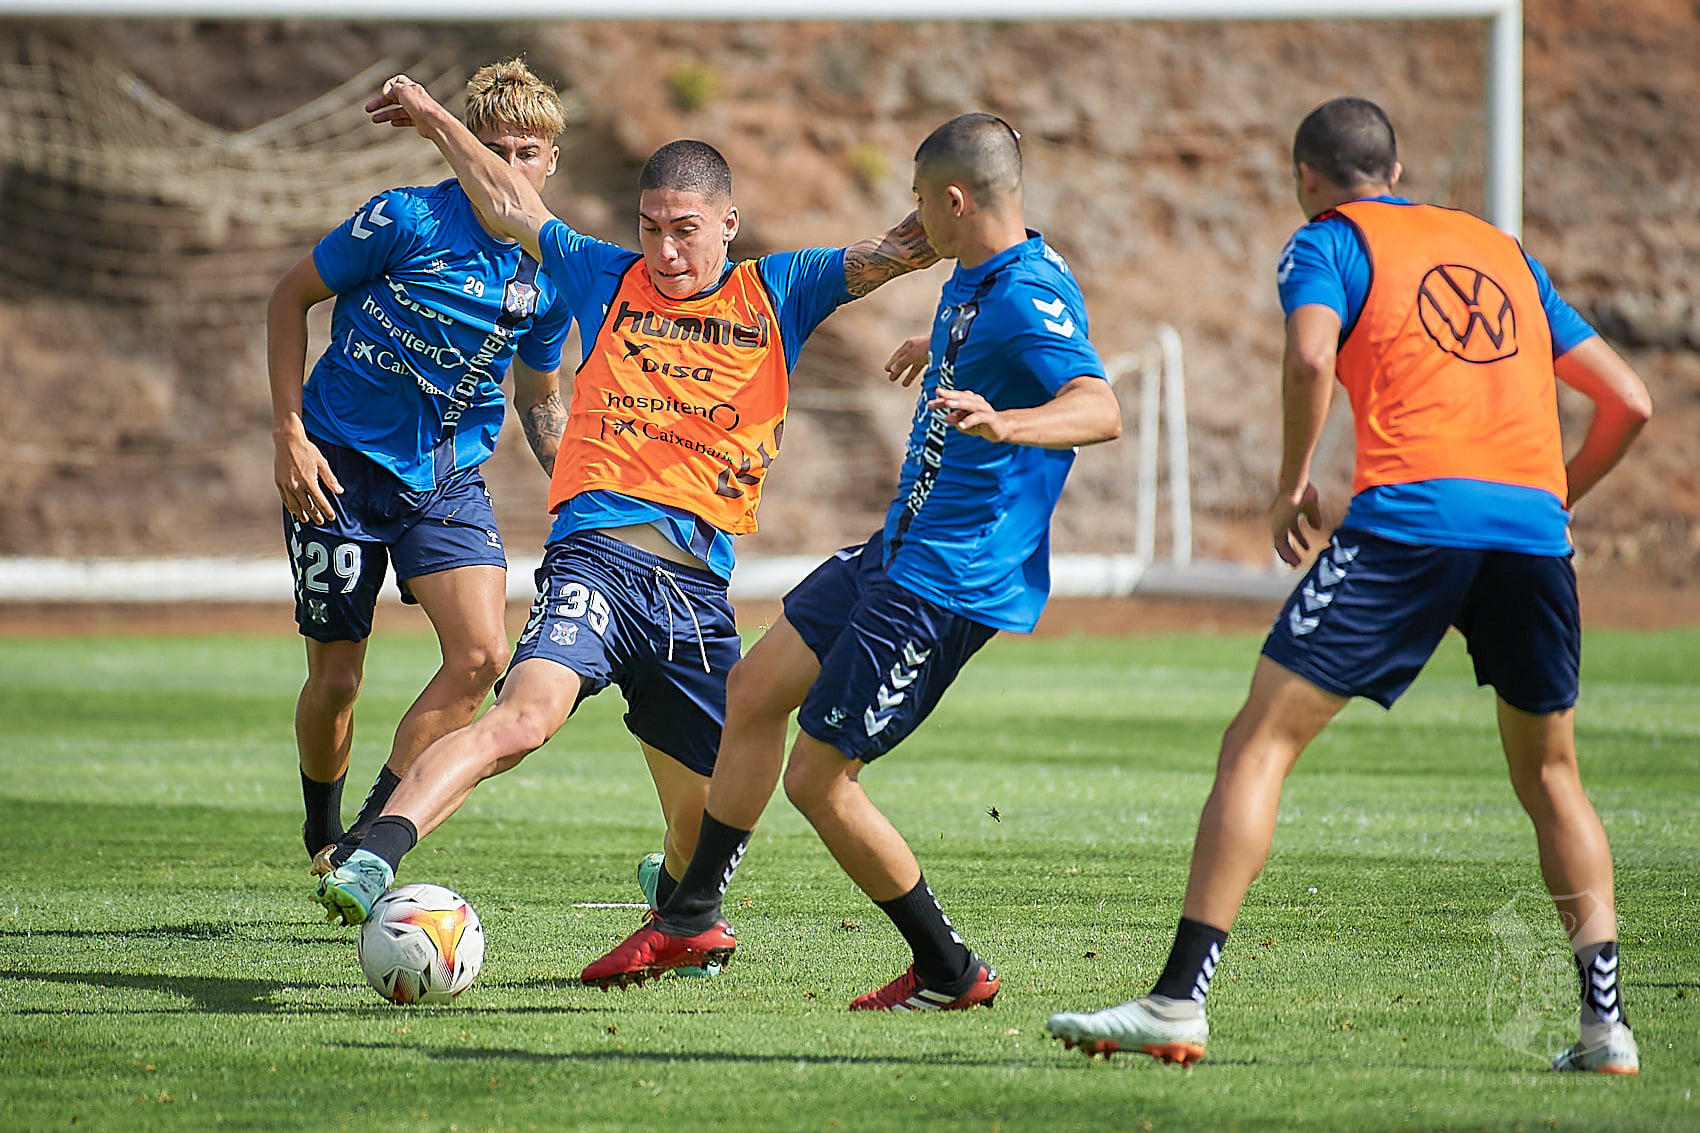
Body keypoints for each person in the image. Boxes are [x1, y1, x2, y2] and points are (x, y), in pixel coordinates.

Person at [1045, 97, 1652, 1074]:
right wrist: (1549, 499)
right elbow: (1627, 400)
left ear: (1305, 179)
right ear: (1397, 166)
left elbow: (1306, 354)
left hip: (1408, 524)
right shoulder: (1501, 251)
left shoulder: (1325, 241)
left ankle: (1177, 999)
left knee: (1259, 739)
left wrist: (1291, 482)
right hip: (1529, 536)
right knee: (1551, 777)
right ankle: (1605, 1026)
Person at [309, 74, 942, 941]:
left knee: (712, 813)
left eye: (686, 231)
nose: (667, 251)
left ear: (729, 222)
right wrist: (432, 120)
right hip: (597, 559)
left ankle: (676, 893)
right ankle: (375, 850)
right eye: (651, 229)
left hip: (694, 593)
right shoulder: (607, 275)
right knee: (522, 716)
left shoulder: (779, 292)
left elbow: (906, 246)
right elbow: (504, 200)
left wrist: (993, 222)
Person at [579, 112, 1124, 1011]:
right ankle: (690, 916)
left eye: (920, 203)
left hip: (947, 579)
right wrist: (935, 346)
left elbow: (1098, 404)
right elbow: (997, 327)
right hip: (894, 549)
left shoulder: (1027, 295)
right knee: (751, 692)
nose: (913, 220)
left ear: (954, 200)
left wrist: (1008, 421)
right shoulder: (980, 272)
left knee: (817, 778)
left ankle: (949, 970)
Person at [269, 59, 572, 874]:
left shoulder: (549, 278)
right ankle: (319, 825)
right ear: (467, 145)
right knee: (337, 679)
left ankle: (367, 840)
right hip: (337, 466)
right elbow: (288, 298)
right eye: (497, 145)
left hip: (444, 479)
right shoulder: (402, 220)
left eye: (529, 151)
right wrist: (289, 436)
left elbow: (539, 397)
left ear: (552, 162)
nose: (513, 165)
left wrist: (580, 484)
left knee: (481, 655)